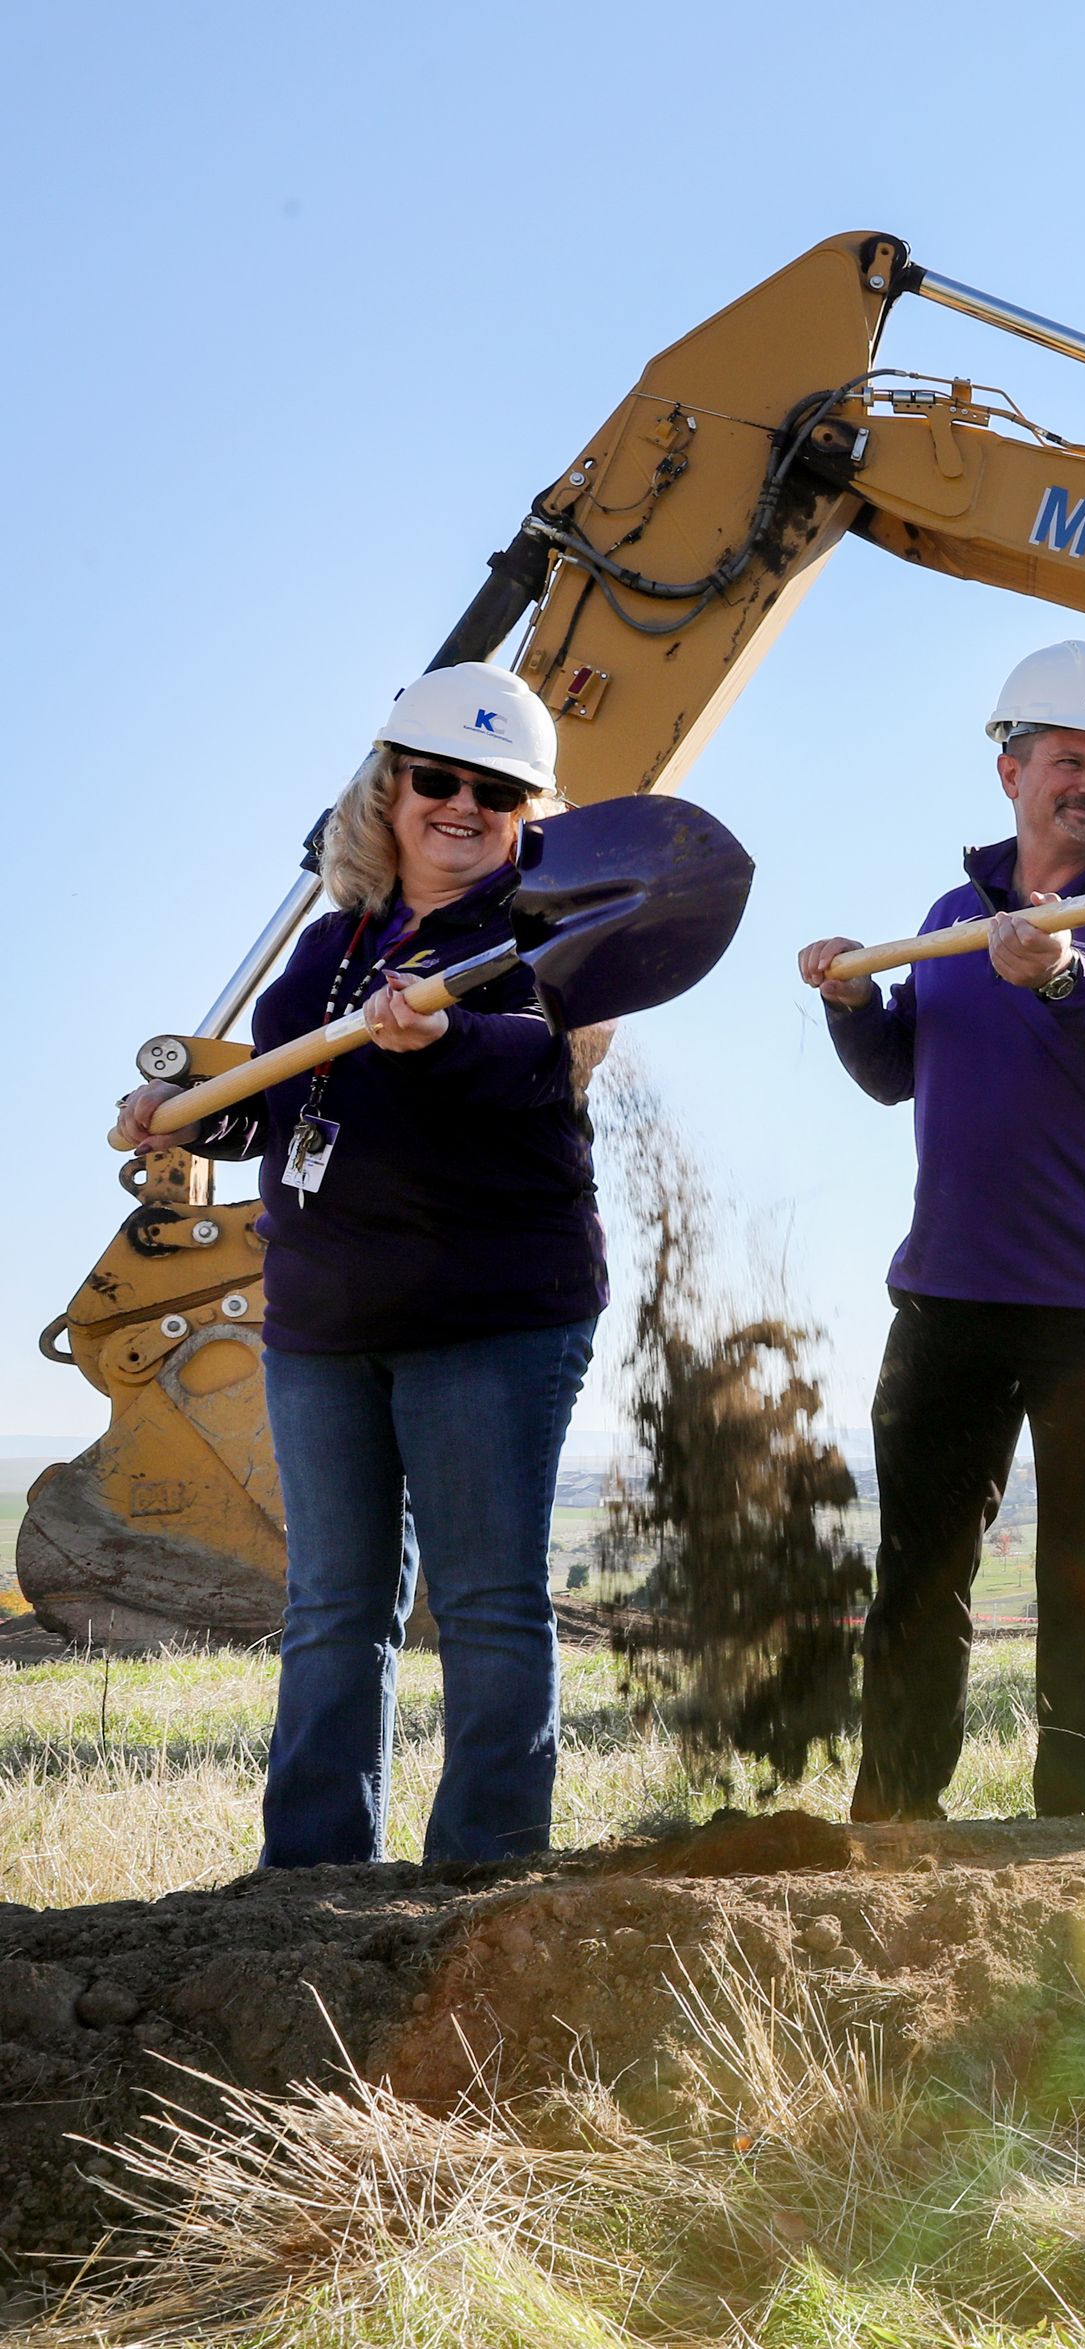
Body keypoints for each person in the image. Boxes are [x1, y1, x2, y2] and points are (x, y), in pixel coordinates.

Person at [110, 664, 607, 1867]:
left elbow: (542, 1066)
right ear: (390, 791)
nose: (463, 804)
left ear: (527, 815)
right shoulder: (334, 947)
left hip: (490, 1320)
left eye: (497, 790)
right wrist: (192, 1116)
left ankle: (481, 1873)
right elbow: (291, 1099)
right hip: (326, 1322)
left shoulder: (553, 940)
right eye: (438, 778)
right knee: (333, 1611)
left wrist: (437, 1040)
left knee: (486, 1606)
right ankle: (311, 1884)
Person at [796, 641, 1085, 1820]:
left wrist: (1070, 976)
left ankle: (1077, 1825)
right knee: (919, 1579)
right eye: (1070, 760)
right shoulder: (946, 918)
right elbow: (896, 1077)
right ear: (1010, 772)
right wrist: (852, 1003)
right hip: (950, 1302)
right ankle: (896, 1817)